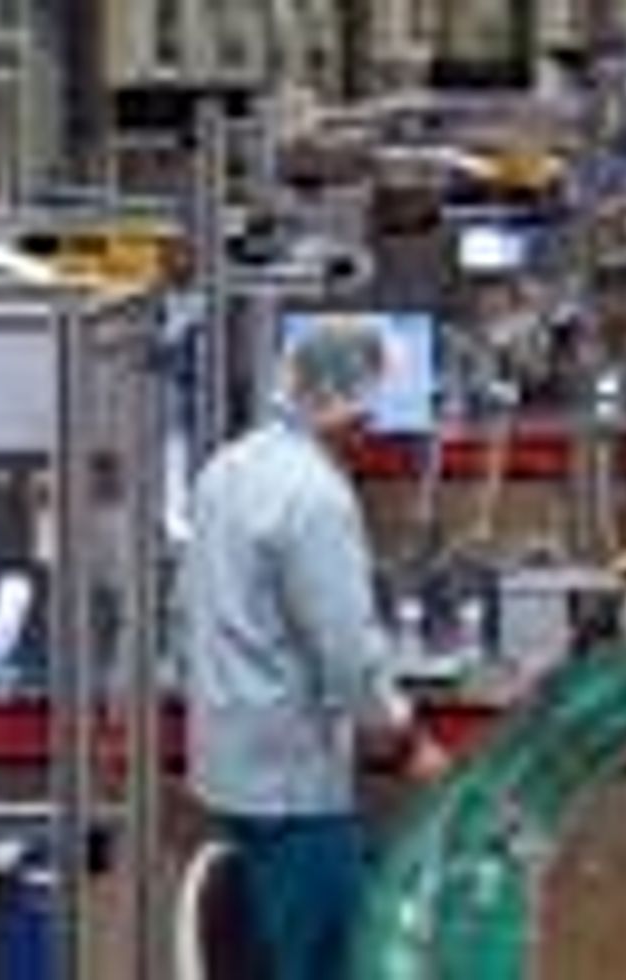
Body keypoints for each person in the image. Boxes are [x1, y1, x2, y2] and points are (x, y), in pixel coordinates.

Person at [181, 317, 443, 980]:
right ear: (347, 410)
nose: (371, 431)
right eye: (368, 414)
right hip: (295, 786)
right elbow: (348, 653)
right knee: (322, 959)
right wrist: (406, 740)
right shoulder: (317, 497)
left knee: (257, 956)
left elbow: (194, 611)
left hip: (230, 772)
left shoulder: (226, 469)